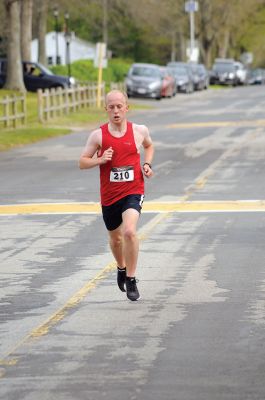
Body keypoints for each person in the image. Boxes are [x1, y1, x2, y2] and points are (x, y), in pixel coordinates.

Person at [79, 89, 154, 301]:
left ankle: (131, 278)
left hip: (133, 190)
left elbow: (149, 146)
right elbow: (82, 162)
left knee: (130, 231)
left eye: (119, 106)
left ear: (126, 108)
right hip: (110, 195)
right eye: (111, 107)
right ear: (106, 109)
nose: (115, 111)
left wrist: (146, 164)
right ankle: (121, 267)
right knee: (116, 238)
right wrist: (100, 160)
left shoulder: (139, 131)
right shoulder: (98, 135)